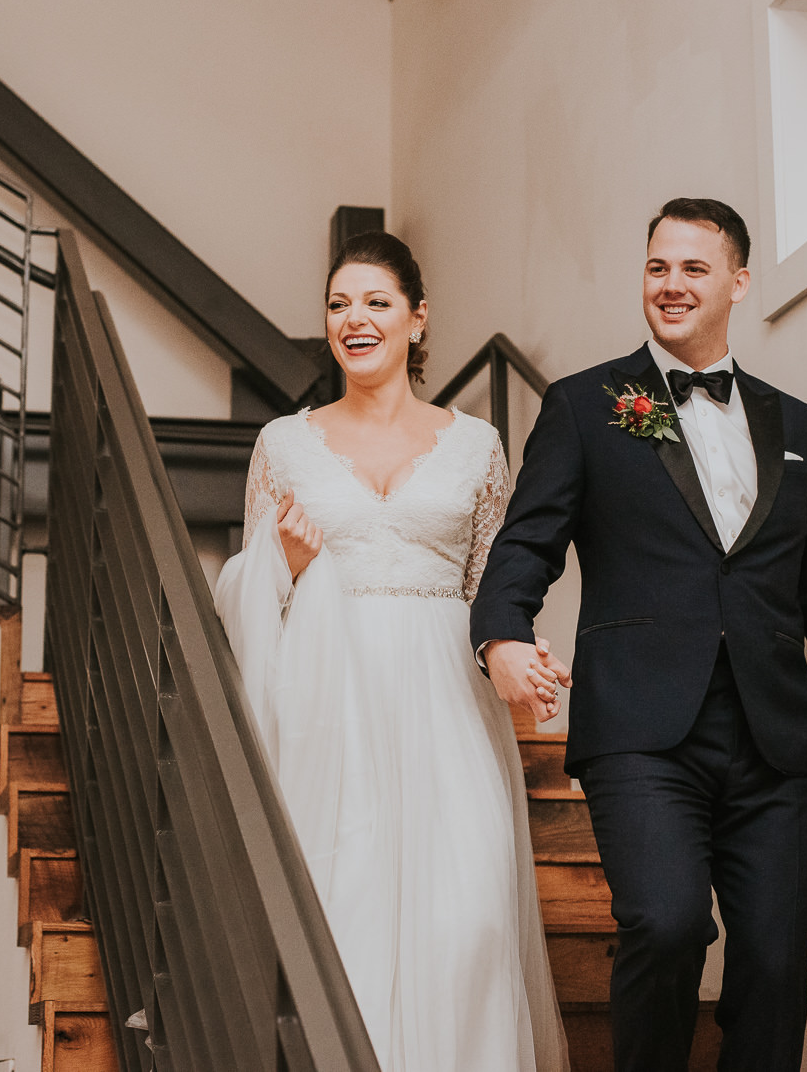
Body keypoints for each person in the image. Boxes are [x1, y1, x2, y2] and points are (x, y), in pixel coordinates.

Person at [471, 198, 807, 1072]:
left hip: (776, 737)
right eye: (657, 268)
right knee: (668, 925)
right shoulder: (586, 406)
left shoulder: (804, 431)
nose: (670, 286)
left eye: (693, 269)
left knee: (777, 965)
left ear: (739, 283)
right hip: (641, 730)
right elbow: (525, 544)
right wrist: (502, 636)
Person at [215, 231, 570, 1072]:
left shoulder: (477, 446)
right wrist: (283, 562)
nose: (355, 319)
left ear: (417, 318)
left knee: (471, 919)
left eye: (376, 301)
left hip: (446, 696)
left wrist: (516, 651)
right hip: (327, 701)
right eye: (339, 304)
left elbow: (497, 587)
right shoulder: (283, 443)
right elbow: (240, 597)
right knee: (346, 915)